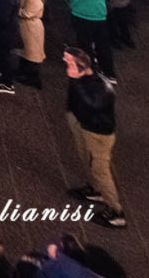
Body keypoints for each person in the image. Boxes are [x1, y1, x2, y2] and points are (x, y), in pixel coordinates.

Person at [63, 47, 125, 228]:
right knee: (86, 158)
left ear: (81, 66)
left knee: (101, 170)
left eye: (69, 61)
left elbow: (92, 105)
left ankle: (116, 211)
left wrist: (75, 81)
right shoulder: (86, 77)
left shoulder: (101, 88)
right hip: (83, 124)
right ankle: (95, 190)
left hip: (98, 134)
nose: (64, 61)